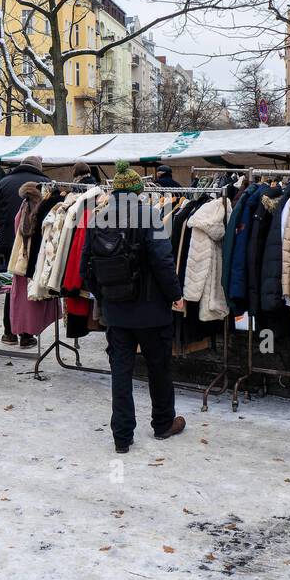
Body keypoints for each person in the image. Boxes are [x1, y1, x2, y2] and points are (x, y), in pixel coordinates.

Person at [83, 162, 187, 453]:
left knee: (120, 373)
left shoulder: (98, 219)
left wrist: (105, 297)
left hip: (117, 313)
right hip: (152, 311)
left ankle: (122, 437)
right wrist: (175, 294)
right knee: (158, 369)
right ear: (138, 192)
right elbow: (163, 262)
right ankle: (163, 423)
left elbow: (85, 270)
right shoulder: (150, 217)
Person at [0, 154, 49, 344]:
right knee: (30, 286)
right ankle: (26, 333)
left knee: (13, 286)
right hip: (38, 244)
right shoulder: (46, 183)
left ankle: (9, 331)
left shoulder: (4, 182)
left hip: (10, 244)